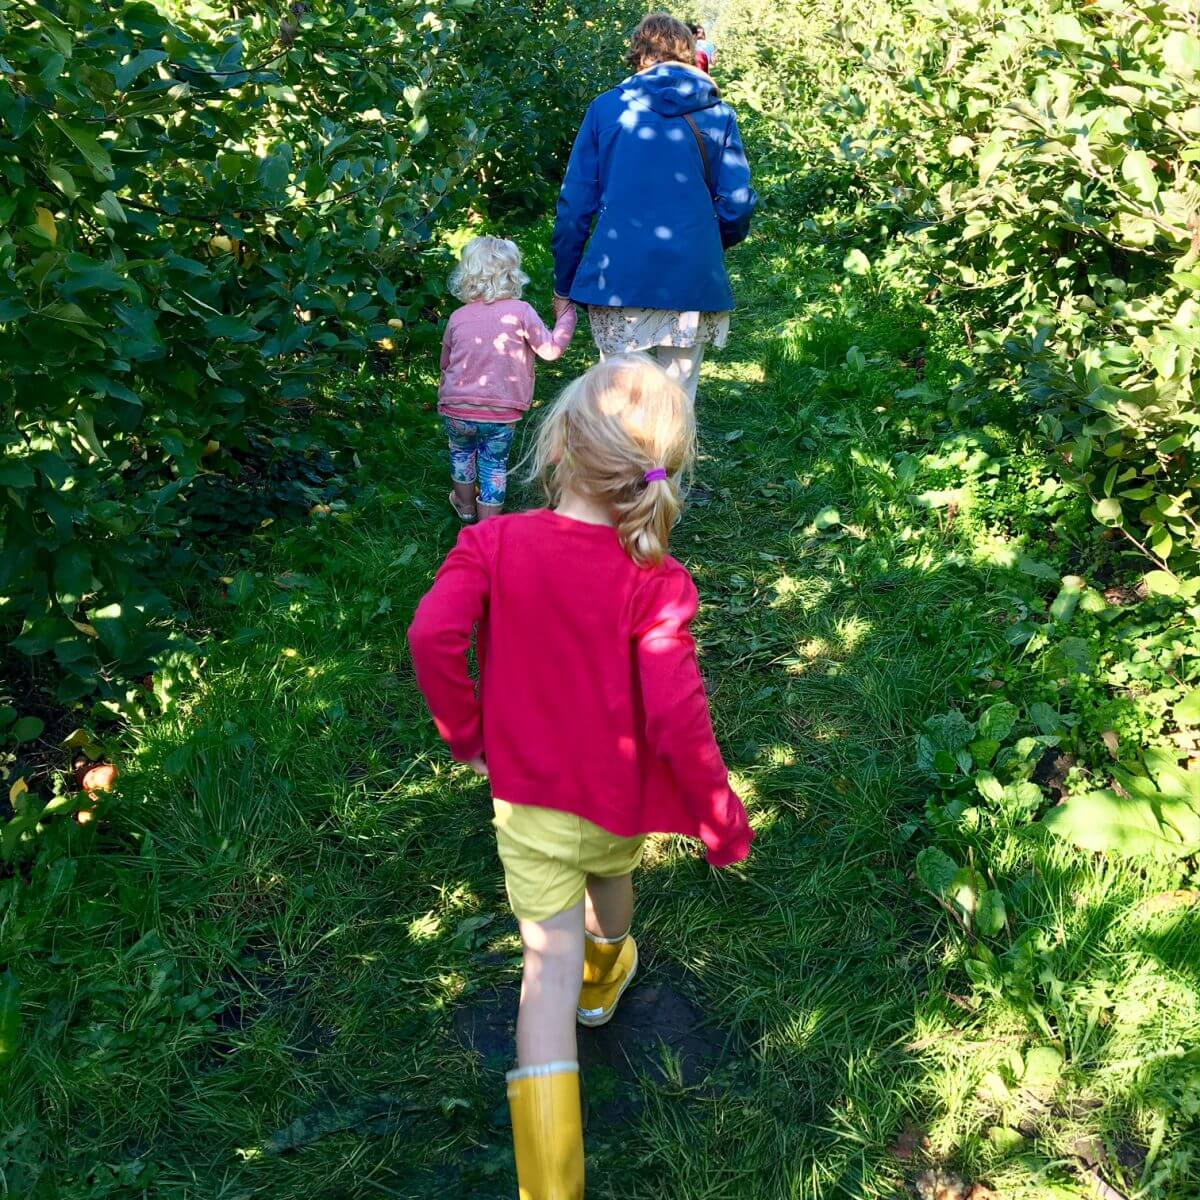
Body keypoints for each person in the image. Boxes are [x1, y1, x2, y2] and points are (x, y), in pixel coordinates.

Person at [408, 354, 754, 1198]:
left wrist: (465, 732)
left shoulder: (489, 544)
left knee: (542, 973)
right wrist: (717, 811)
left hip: (526, 799)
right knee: (613, 875)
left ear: (557, 444)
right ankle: (608, 978)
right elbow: (677, 713)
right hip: (617, 794)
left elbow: (431, 637)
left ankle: (549, 1188)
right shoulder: (656, 581)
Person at [552, 12, 756, 404]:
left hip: (617, 276)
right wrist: (710, 245)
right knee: (677, 402)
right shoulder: (718, 114)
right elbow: (738, 203)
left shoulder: (606, 110)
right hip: (691, 278)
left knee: (617, 400)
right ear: (687, 53)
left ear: (638, 54)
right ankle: (666, 467)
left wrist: (564, 281)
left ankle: (620, 465)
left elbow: (575, 205)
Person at [438, 236, 576, 522]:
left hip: (456, 406)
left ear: (467, 275)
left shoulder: (458, 316)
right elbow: (550, 351)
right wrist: (566, 318)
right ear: (513, 274)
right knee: (493, 463)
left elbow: (445, 363)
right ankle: (488, 524)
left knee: (461, 454)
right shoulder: (521, 312)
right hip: (500, 412)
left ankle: (464, 508)